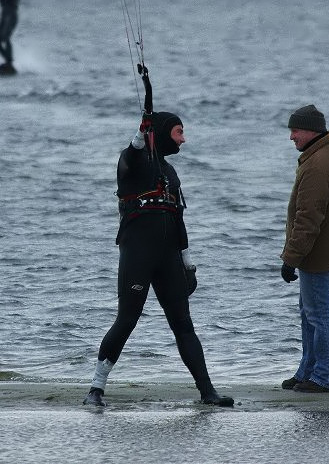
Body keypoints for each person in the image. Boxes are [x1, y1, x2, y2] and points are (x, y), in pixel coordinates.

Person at [82, 66, 234, 408]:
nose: (183, 138)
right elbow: (135, 149)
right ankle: (95, 389)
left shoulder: (170, 172)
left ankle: (208, 392)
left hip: (168, 256)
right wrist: (144, 123)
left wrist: (188, 263)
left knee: (183, 322)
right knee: (127, 319)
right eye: (179, 132)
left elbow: (178, 219)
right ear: (163, 133)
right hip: (137, 254)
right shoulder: (132, 163)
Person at [280, 104, 329, 393]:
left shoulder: (317, 165)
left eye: (295, 130)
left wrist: (291, 259)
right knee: (310, 311)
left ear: (311, 130)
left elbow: (308, 219)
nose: (292, 137)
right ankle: (308, 370)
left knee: (318, 314)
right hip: (328, 248)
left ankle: (327, 376)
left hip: (315, 253)